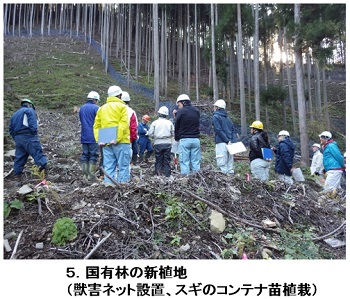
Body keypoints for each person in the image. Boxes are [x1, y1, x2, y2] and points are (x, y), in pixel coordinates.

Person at [93, 85, 131, 184]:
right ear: (120, 95)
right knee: (123, 167)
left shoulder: (102, 108)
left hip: (105, 141)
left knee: (109, 167)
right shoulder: (122, 107)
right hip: (122, 141)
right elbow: (123, 124)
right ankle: (122, 189)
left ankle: (108, 188)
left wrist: (99, 140)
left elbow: (96, 126)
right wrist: (116, 138)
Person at [9, 99, 48, 179]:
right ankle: (43, 172)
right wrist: (34, 134)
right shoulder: (29, 111)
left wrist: (16, 138)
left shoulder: (15, 114)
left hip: (18, 138)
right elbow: (33, 124)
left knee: (19, 157)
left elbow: (11, 129)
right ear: (30, 105)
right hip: (29, 137)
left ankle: (17, 175)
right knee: (38, 153)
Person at [174, 94, 201, 174]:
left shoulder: (180, 112)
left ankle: (185, 181)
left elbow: (177, 126)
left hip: (185, 140)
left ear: (183, 102)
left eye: (179, 104)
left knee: (184, 162)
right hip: (196, 139)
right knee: (196, 161)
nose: (178, 107)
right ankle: (197, 180)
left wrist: (176, 138)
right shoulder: (196, 111)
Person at [79, 91, 100, 181]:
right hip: (94, 136)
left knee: (85, 154)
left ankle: (85, 175)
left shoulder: (82, 108)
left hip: (84, 136)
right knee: (93, 155)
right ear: (95, 99)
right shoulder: (97, 108)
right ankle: (91, 176)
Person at [148, 106, 174, 177]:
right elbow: (173, 133)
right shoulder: (169, 123)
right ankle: (167, 175)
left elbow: (150, 133)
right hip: (167, 143)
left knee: (158, 160)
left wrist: (154, 137)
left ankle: (158, 175)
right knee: (167, 160)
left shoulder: (155, 123)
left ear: (159, 114)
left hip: (158, 143)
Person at [212, 99, 235, 174]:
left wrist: (226, 140)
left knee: (222, 164)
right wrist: (230, 141)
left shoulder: (216, 117)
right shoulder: (228, 118)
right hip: (230, 144)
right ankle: (232, 182)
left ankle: (224, 183)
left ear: (217, 107)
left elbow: (218, 130)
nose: (214, 108)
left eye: (215, 106)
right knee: (230, 165)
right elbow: (232, 130)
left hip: (221, 142)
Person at [121, 91, 139, 165]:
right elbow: (134, 127)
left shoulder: (114, 109)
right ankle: (133, 163)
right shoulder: (131, 112)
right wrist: (134, 138)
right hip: (128, 138)